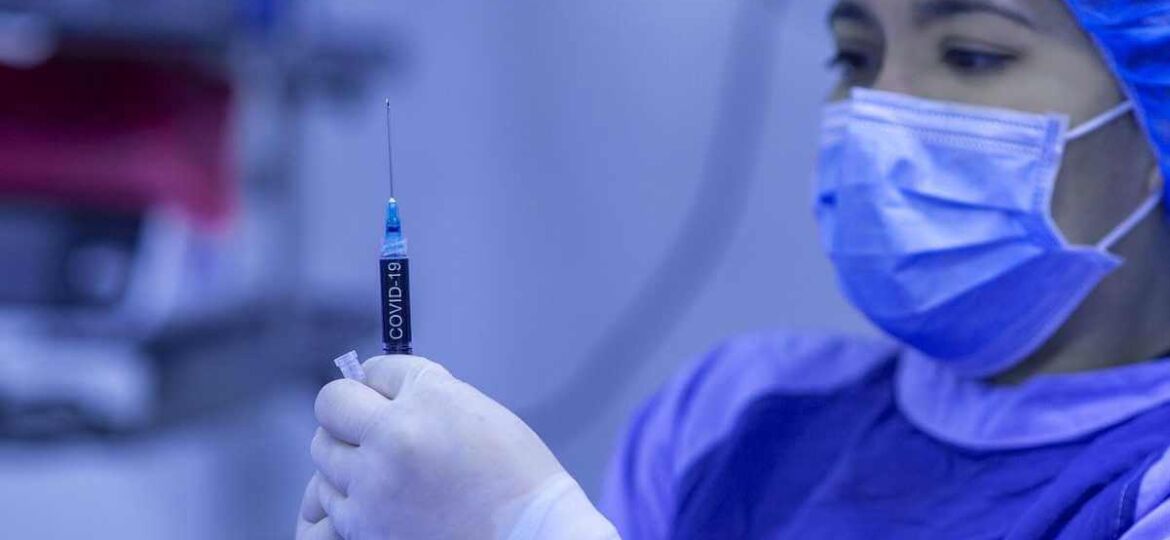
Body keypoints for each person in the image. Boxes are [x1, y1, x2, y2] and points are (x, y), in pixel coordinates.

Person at [297, 0, 1170, 537]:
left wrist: (530, 529)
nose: (880, 107)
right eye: (854, 57)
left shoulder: (1143, 492)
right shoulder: (732, 416)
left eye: (972, 54)